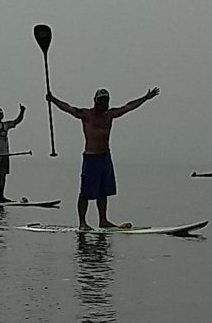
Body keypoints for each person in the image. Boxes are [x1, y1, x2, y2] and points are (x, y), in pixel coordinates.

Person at [46, 87, 160, 230]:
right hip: (91, 158)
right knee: (86, 192)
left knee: (103, 191)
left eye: (106, 100)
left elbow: (128, 107)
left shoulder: (109, 115)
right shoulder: (86, 114)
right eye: (101, 100)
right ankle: (82, 222)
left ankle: (103, 220)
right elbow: (68, 108)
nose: (104, 103)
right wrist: (53, 99)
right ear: (95, 101)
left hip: (105, 157)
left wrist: (145, 98)